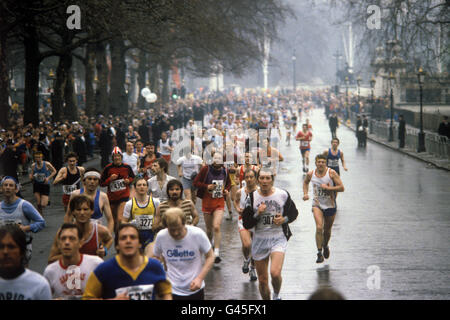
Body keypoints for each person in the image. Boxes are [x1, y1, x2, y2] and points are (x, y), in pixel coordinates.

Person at [242, 169, 298, 300]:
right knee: (262, 280)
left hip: (278, 237)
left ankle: (276, 295)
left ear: (272, 180)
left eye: (268, 178)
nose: (265, 181)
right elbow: (246, 224)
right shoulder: (251, 198)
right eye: (262, 178)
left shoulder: (282, 194)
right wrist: (257, 214)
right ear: (257, 180)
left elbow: (294, 213)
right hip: (260, 239)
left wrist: (284, 220)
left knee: (275, 272)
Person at [83, 223, 172, 300]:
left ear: (140, 244)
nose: (128, 241)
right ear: (117, 245)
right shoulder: (103, 270)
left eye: (133, 237)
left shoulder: (154, 266)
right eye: (123, 238)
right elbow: (87, 297)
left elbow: (166, 293)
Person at [153, 208, 214, 300]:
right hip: (172, 289)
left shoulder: (197, 234)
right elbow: (155, 257)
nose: (176, 233)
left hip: (195, 288)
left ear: (184, 223)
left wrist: (200, 278)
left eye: (179, 229)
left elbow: (210, 256)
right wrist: (162, 275)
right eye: (172, 230)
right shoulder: (161, 236)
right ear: (166, 226)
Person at [303, 154, 345, 263]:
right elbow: (305, 182)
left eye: (323, 162)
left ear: (325, 163)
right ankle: (319, 252)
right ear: (315, 163)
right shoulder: (311, 174)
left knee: (327, 230)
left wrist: (329, 188)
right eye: (318, 162)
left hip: (330, 205)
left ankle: (325, 245)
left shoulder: (331, 173)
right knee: (319, 227)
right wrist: (305, 193)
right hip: (317, 204)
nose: (320, 164)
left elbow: (341, 187)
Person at [43, 223, 104, 299]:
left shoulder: (96, 264)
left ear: (81, 243)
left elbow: (112, 293)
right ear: (58, 243)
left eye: (72, 238)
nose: (67, 242)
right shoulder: (50, 271)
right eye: (63, 238)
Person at [48, 195, 113, 263]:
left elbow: (110, 239)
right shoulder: (63, 232)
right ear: (73, 212)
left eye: (85, 209)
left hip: (93, 273)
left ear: (92, 211)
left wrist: (105, 250)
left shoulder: (100, 230)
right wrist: (71, 256)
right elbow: (51, 260)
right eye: (78, 209)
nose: (82, 213)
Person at [193, 152, 231, 264]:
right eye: (216, 158)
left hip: (219, 202)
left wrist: (226, 190)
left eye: (220, 158)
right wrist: (206, 186)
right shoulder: (206, 169)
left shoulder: (225, 170)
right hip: (207, 202)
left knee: (216, 226)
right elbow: (196, 182)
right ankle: (208, 248)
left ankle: (217, 252)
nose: (217, 160)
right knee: (209, 230)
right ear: (212, 159)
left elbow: (229, 183)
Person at [0, 176, 46, 264]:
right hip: (3, 248)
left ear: (16, 189)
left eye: (11, 185)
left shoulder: (24, 205)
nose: (8, 187)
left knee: (20, 273)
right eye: (5, 185)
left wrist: (24, 228)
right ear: (1, 189)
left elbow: (41, 222)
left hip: (22, 246)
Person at [0, 224, 52, 300]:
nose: (5, 252)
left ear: (22, 251)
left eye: (11, 247)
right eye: (1, 247)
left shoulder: (39, 285)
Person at [152, 179, 199, 254]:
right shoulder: (161, 206)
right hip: (168, 240)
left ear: (181, 191)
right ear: (168, 191)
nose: (174, 192)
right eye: (171, 189)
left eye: (177, 189)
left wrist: (191, 226)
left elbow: (196, 217)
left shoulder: (188, 203)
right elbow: (154, 227)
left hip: (186, 239)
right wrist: (165, 224)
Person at [64, 168, 114, 234]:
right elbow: (68, 215)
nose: (92, 182)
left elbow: (110, 220)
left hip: (96, 235)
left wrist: (108, 236)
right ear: (84, 181)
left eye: (95, 179)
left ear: (99, 182)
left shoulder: (103, 196)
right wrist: (67, 232)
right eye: (89, 179)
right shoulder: (75, 194)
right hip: (78, 234)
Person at [100, 147, 135, 232]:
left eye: (118, 156)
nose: (117, 158)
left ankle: (123, 233)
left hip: (123, 196)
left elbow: (133, 178)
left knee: (120, 219)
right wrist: (109, 179)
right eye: (115, 156)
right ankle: (118, 238)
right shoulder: (108, 168)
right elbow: (101, 183)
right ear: (112, 158)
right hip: (112, 198)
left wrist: (128, 181)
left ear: (121, 157)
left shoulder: (127, 167)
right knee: (114, 221)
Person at [122, 177, 160, 254]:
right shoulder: (129, 204)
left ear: (147, 188)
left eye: (144, 185)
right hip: (136, 235)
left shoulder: (156, 202)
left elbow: (161, 218)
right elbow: (123, 222)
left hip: (151, 234)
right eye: (139, 185)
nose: (142, 187)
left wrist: (156, 224)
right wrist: (130, 224)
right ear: (135, 188)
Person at [234, 168, 258, 282]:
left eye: (251, 177)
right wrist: (237, 209)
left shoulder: (260, 191)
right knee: (247, 244)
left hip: (256, 221)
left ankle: (252, 268)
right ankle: (246, 258)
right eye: (247, 177)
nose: (249, 179)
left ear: (255, 179)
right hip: (243, 220)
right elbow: (235, 200)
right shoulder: (241, 191)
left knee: (254, 247)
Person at [29, 151, 57, 215]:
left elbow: (54, 171)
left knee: (43, 204)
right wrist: (31, 177)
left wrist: (48, 178)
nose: (38, 159)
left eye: (39, 157)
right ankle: (40, 218)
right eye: (36, 157)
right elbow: (31, 174)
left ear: (42, 157)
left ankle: (46, 200)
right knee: (38, 204)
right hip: (36, 185)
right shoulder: (33, 165)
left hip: (45, 185)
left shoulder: (47, 164)